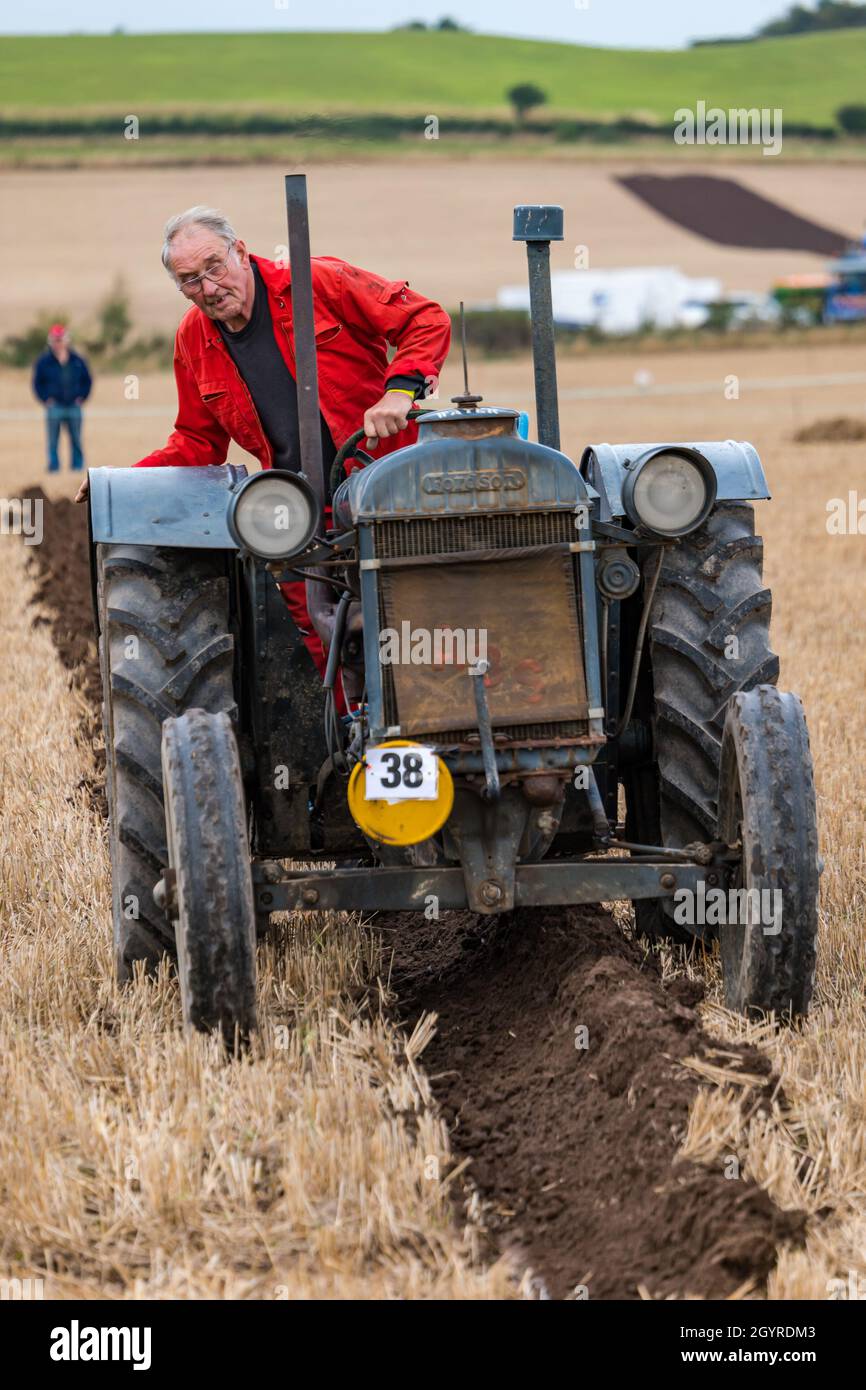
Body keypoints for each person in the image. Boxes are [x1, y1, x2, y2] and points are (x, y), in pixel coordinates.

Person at [74, 205, 451, 675]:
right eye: (191, 280)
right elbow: (196, 441)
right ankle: (351, 736)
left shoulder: (318, 284)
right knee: (326, 638)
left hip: (390, 489)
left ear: (240, 251)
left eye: (215, 266)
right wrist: (124, 482)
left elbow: (424, 320)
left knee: (424, 616)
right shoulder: (193, 340)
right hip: (300, 510)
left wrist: (399, 392)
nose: (209, 288)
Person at [33, 324, 92, 473]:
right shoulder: (43, 362)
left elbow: (87, 380)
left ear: (66, 340)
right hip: (55, 406)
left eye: (60, 339)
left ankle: (77, 467)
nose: (58, 343)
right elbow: (37, 383)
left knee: (76, 439)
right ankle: (54, 467)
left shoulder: (78, 360)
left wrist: (82, 397)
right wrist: (46, 399)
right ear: (50, 341)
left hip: (74, 405)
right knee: (53, 440)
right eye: (55, 340)